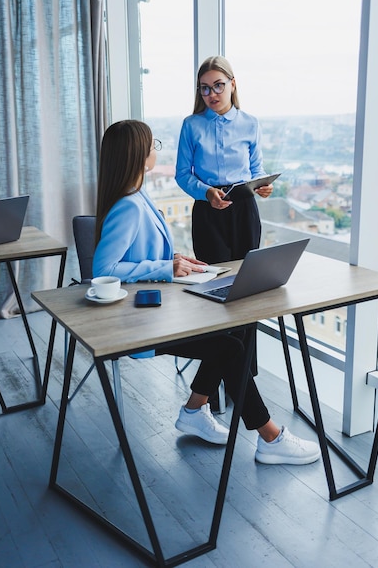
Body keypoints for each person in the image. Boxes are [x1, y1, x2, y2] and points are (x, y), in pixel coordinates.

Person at [92, 119, 320, 465]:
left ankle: (195, 411)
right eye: (153, 145)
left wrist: (173, 259)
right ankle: (269, 436)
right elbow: (103, 271)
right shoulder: (128, 206)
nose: (156, 151)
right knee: (229, 345)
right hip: (139, 325)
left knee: (233, 329)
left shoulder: (138, 196)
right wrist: (164, 268)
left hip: (158, 307)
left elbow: (136, 254)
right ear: (139, 156)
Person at [175, 55, 273, 265]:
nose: (212, 94)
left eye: (219, 85)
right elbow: (182, 174)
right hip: (207, 209)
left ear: (233, 84)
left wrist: (262, 185)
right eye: (205, 88)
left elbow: (256, 169)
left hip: (244, 209)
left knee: (246, 274)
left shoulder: (250, 123)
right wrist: (207, 192)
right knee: (213, 277)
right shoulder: (191, 125)